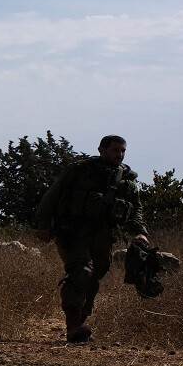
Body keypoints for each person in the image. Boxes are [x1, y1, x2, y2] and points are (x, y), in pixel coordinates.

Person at [35, 135, 149, 343]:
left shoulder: (127, 179)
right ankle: (74, 326)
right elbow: (52, 195)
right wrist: (43, 225)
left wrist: (140, 232)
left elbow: (135, 209)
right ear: (101, 150)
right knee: (81, 272)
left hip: (104, 236)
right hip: (72, 231)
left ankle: (81, 321)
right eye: (115, 150)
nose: (120, 154)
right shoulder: (80, 170)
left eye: (122, 151)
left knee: (94, 278)